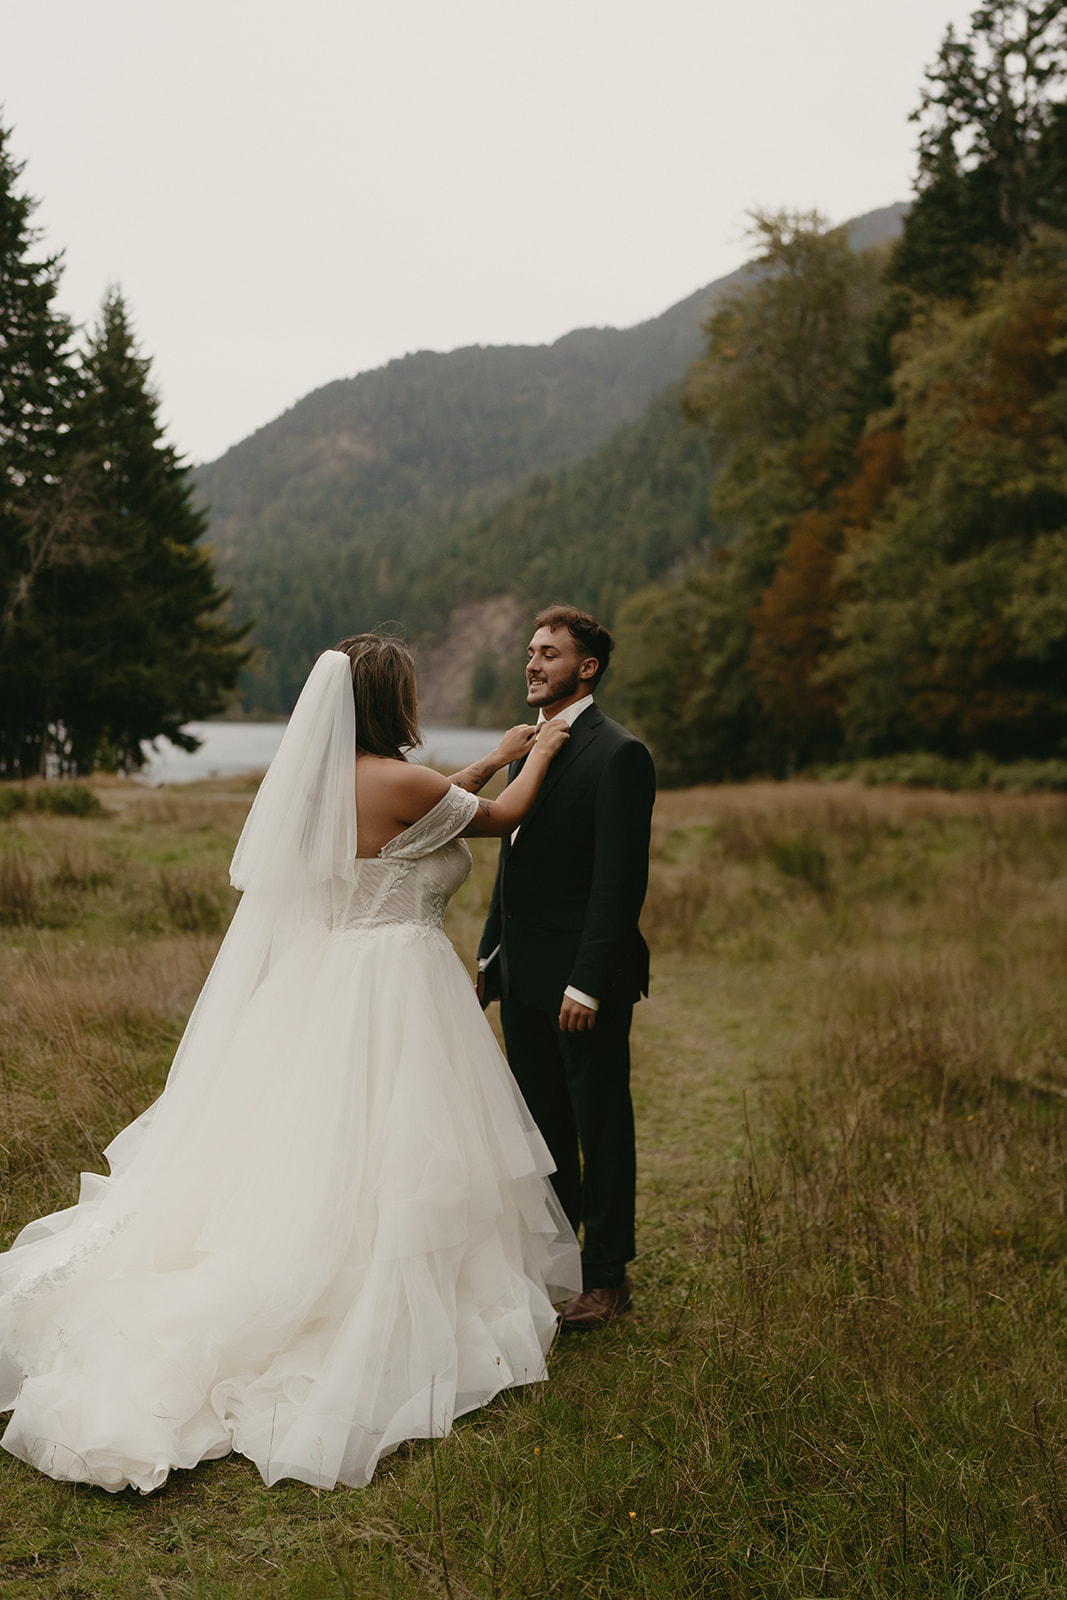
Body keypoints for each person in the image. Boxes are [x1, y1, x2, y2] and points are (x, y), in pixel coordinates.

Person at [0, 635, 580, 1494]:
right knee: (393, 1153)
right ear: (390, 702)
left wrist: (492, 757)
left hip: (332, 983)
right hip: (393, 991)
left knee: (324, 1149)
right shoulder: (401, 782)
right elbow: (495, 818)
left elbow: (439, 802)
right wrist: (546, 749)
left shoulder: (326, 784)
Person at [477, 604, 656, 1332]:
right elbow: (512, 859)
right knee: (542, 1125)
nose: (531, 663)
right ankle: (558, 1267)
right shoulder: (527, 745)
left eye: (548, 653)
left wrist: (585, 983)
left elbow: (618, 883)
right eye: (530, 651)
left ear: (586, 667)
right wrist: (491, 952)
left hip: (584, 983)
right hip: (522, 974)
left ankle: (607, 1277)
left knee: (599, 1123)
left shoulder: (620, 754)